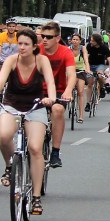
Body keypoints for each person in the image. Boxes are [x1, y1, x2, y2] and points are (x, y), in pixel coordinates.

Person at [0, 28, 57, 216]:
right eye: (20, 44)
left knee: (35, 148)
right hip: (11, 105)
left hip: (35, 106)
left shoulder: (42, 60)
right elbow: (0, 83)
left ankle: (36, 197)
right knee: (4, 136)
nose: (22, 47)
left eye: (26, 44)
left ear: (34, 47)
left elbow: (50, 83)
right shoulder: (11, 60)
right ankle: (10, 166)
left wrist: (51, 98)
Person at [37, 21, 76, 167]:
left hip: (59, 90)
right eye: (43, 36)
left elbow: (71, 74)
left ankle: (55, 152)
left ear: (58, 38)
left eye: (49, 37)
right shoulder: (36, 50)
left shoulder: (65, 52)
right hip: (38, 90)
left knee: (57, 109)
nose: (44, 39)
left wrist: (68, 91)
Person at [69, 34, 92, 124]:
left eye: (76, 39)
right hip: (71, 71)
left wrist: (88, 69)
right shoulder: (68, 49)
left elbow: (86, 60)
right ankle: (70, 101)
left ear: (80, 41)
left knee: (80, 92)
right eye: (73, 39)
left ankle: (81, 116)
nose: (75, 41)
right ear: (71, 40)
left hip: (81, 71)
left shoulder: (83, 49)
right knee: (69, 88)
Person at [86, 32, 110, 107]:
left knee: (100, 75)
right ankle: (88, 103)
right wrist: (87, 67)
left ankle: (102, 87)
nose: (90, 42)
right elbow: (86, 57)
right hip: (90, 65)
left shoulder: (104, 48)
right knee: (90, 83)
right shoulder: (89, 46)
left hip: (100, 65)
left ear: (97, 42)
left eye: (92, 41)